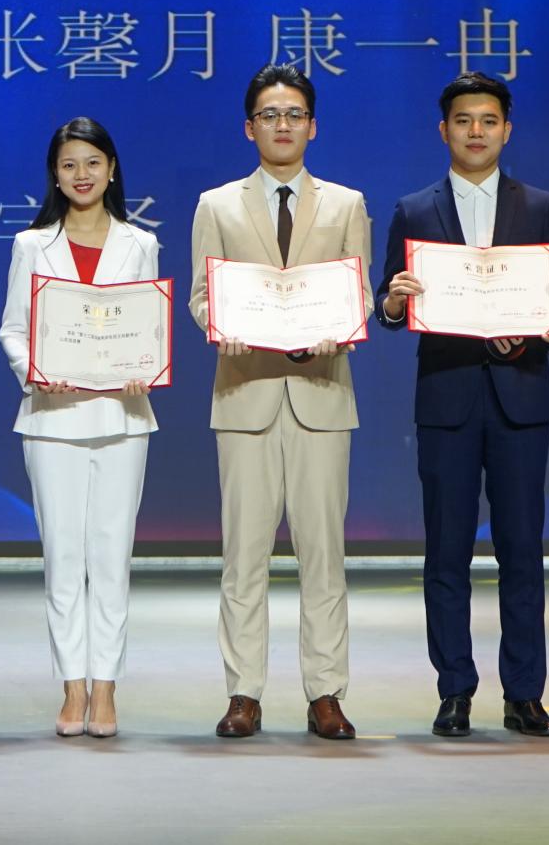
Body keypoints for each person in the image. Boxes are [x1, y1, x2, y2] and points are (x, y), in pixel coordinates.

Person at [377, 71, 549, 740]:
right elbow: (387, 305)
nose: (476, 131)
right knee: (446, 553)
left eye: (489, 120)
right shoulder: (414, 209)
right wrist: (395, 300)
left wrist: (548, 323)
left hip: (521, 398)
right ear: (444, 130)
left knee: (522, 551)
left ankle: (525, 694)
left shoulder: (539, 205)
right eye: (463, 120)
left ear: (506, 130)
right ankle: (454, 690)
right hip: (448, 399)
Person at [188, 64, 373, 742]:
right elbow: (203, 297)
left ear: (313, 126)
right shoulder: (217, 205)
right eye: (270, 114)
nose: (283, 125)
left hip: (322, 394)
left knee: (324, 555)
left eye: (294, 114)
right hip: (246, 394)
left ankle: (326, 693)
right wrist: (224, 326)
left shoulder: (347, 204)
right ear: (250, 128)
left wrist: (338, 328)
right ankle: (244, 692)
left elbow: (358, 296)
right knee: (244, 556)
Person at [0, 117, 161, 739]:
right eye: (69, 165)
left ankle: (107, 687)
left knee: (112, 557)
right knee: (63, 557)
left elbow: (147, 324)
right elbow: (14, 329)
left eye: (93, 162)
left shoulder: (140, 243)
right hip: (52, 418)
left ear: (112, 169)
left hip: (123, 417)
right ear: (55, 175)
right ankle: (72, 687)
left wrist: (146, 366)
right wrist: (35, 372)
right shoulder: (31, 245)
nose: (82, 174)